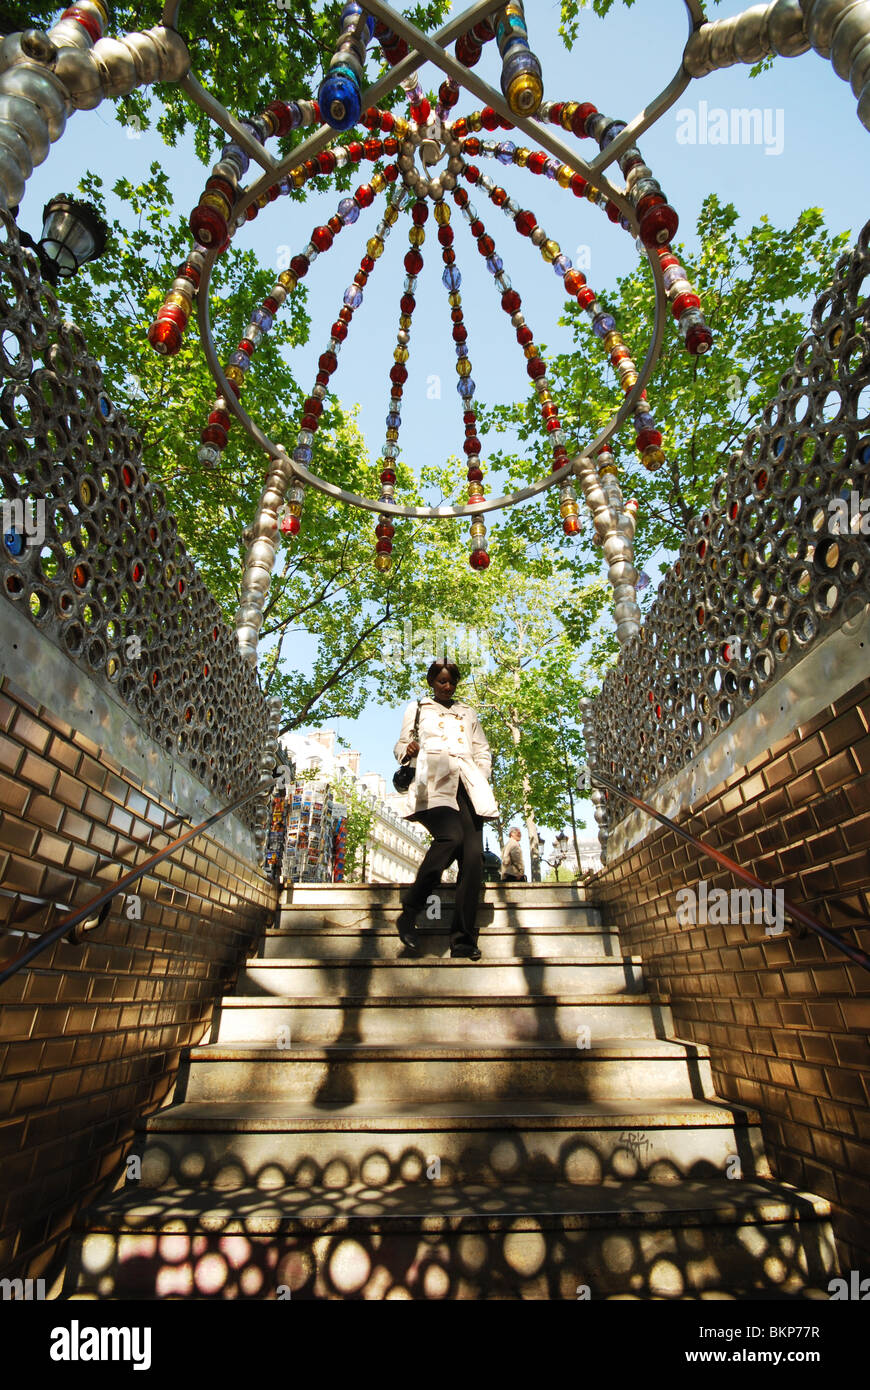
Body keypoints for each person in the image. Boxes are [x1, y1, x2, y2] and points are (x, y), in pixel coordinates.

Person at [393, 659, 497, 959]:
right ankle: (410, 910)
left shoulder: (468, 712)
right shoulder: (417, 708)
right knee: (450, 837)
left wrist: (481, 776)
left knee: (474, 859)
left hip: (469, 787)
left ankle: (463, 940)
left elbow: (482, 750)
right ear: (431, 682)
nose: (446, 686)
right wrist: (407, 751)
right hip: (433, 784)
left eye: (451, 681)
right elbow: (401, 745)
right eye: (441, 681)